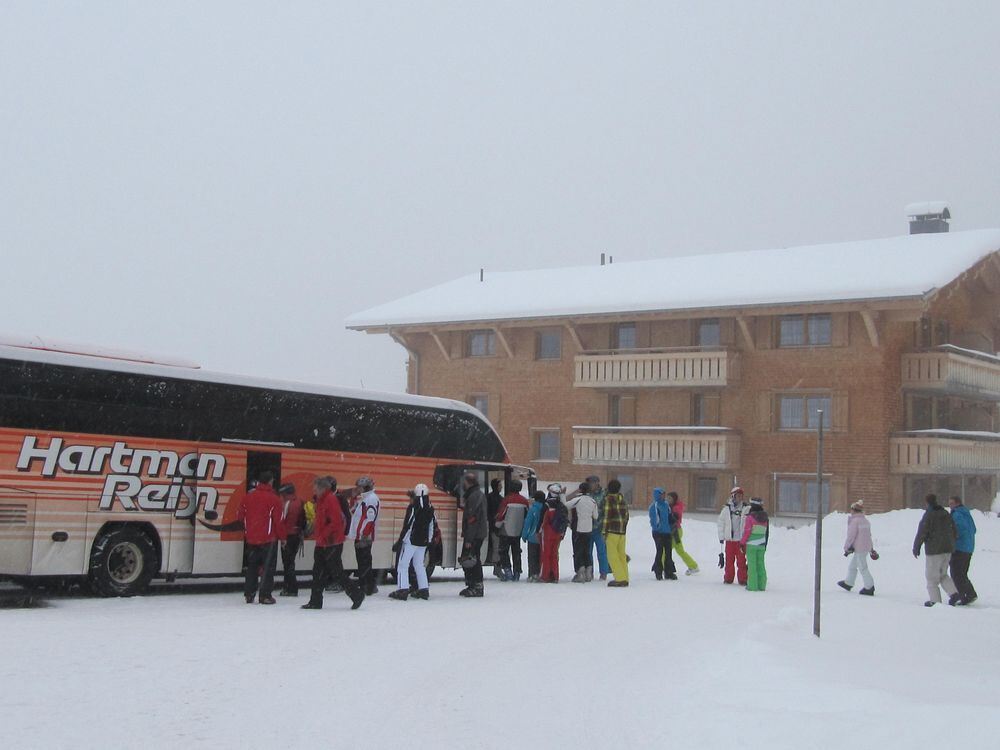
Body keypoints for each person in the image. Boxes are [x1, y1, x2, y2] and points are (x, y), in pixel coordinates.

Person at [303, 476, 364, 610]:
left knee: (334, 572)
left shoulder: (330, 500)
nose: (313, 490)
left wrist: (323, 535)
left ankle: (356, 594)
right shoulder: (323, 500)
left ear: (323, 488)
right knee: (320, 572)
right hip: (325, 542)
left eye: (315, 488)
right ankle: (316, 601)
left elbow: (335, 522)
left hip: (330, 542)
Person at [237, 470, 286, 605]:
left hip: (251, 538)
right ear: (270, 482)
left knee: (252, 566)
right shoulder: (274, 499)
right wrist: (283, 538)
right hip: (269, 539)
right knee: (268, 568)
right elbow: (278, 521)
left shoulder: (248, 497)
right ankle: (265, 595)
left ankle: (249, 594)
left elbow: (240, 516)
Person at [389, 484, 436, 601]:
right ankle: (424, 590)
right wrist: (428, 540)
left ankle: (402, 589)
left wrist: (400, 541)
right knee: (419, 565)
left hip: (411, 541)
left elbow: (408, 526)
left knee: (402, 565)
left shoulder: (413, 507)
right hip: (423, 541)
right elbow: (432, 525)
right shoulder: (430, 507)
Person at [912, 493, 959, 607]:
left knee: (931, 577)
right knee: (942, 574)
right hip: (947, 549)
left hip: (934, 550)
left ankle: (935, 601)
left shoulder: (929, 515)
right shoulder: (945, 513)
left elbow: (922, 532)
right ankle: (953, 593)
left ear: (927, 503)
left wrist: (916, 547)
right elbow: (954, 530)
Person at [349, 476, 380, 596]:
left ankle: (366, 586)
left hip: (364, 537)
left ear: (364, 487)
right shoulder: (365, 499)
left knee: (363, 562)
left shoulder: (370, 499)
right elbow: (354, 511)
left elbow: (369, 519)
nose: (358, 489)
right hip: (361, 535)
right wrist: (353, 498)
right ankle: (369, 585)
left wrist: (363, 536)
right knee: (364, 561)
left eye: (359, 487)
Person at [837, 500, 875, 596]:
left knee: (863, 567)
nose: (851, 511)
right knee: (853, 566)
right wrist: (871, 548)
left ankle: (869, 587)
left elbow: (851, 536)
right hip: (865, 548)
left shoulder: (855, 522)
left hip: (859, 548)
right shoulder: (866, 521)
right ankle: (848, 582)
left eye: (852, 509)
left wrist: (846, 548)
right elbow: (868, 536)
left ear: (854, 510)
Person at [459, 472, 488, 597]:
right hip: (478, 533)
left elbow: (472, 519)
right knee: (471, 558)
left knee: (472, 559)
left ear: (468, 482)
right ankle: (472, 585)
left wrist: (469, 539)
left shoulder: (474, 496)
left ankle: (476, 586)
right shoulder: (477, 494)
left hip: (474, 535)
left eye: (464, 483)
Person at [495, 479, 530, 581]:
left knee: (504, 551)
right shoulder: (524, 501)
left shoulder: (507, 500)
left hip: (506, 530)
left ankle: (507, 571)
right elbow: (526, 516)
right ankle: (517, 572)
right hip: (518, 530)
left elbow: (501, 515)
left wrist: (497, 524)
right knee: (516, 552)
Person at [564, 483, 599, 582]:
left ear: (580, 490)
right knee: (587, 551)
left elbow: (566, 505)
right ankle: (589, 572)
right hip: (589, 529)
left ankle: (580, 573)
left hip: (579, 529)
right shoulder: (593, 501)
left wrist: (562, 496)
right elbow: (596, 516)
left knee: (578, 551)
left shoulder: (578, 500)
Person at [948, 495, 978, 606]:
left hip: (959, 548)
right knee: (962, 573)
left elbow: (958, 530)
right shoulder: (966, 514)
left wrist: (952, 539)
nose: (950, 506)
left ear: (957, 503)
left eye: (951, 503)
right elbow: (973, 529)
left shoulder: (957, 515)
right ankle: (970, 593)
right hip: (969, 547)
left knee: (956, 573)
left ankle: (964, 595)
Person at [278, 483, 306, 597]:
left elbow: (283, 521)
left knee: (287, 563)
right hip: (297, 535)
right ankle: (289, 587)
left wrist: (282, 537)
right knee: (290, 562)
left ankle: (291, 587)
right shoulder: (300, 501)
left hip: (288, 535)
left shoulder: (287, 504)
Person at [717, 486, 750, 585]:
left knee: (741, 561)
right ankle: (728, 578)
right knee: (729, 560)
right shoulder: (726, 509)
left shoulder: (746, 509)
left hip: (741, 540)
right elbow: (721, 523)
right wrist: (721, 536)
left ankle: (743, 579)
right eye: (737, 496)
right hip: (730, 540)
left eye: (741, 496)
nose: (739, 498)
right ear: (733, 496)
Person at [603, 479, 630, 587]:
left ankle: (619, 578)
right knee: (621, 555)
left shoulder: (608, 499)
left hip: (612, 531)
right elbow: (627, 516)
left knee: (612, 556)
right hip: (622, 532)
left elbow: (607, 516)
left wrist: (604, 531)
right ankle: (625, 577)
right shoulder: (622, 499)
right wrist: (623, 527)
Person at [584, 476, 611, 581]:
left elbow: (606, 510)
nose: (590, 485)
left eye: (591, 483)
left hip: (600, 527)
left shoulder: (604, 494)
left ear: (597, 483)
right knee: (588, 551)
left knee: (602, 551)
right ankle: (589, 572)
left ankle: (603, 572)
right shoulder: (586, 494)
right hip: (587, 527)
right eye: (589, 483)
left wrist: (605, 527)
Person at [740, 497, 769, 592]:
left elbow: (747, 532)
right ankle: (762, 585)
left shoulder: (750, 518)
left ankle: (752, 586)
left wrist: (742, 543)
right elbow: (766, 532)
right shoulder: (765, 518)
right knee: (761, 564)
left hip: (751, 545)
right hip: (761, 544)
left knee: (752, 566)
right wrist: (765, 544)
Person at [540, 483, 567, 583]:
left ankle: (545, 576)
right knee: (554, 555)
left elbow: (542, 520)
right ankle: (555, 576)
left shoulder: (546, 505)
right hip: (558, 533)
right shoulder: (561, 505)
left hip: (547, 533)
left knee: (546, 555)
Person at [648, 488, 677, 581]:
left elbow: (669, 516)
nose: (663, 496)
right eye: (661, 494)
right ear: (657, 495)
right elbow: (653, 520)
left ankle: (669, 572)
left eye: (664, 494)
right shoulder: (654, 506)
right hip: (658, 533)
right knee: (659, 552)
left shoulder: (666, 505)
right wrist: (657, 529)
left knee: (669, 552)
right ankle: (658, 571)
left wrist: (673, 521)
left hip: (667, 532)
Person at [668, 492, 699, 575]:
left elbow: (675, 518)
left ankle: (664, 567)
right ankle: (693, 566)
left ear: (674, 499)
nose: (668, 500)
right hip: (676, 531)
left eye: (670, 498)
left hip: (675, 532)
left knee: (666, 550)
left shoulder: (675, 508)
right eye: (668, 498)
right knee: (680, 551)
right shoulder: (671, 507)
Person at [521, 490, 546, 581]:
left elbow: (528, 523)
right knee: (540, 556)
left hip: (532, 537)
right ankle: (540, 573)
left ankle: (532, 574)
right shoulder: (545, 508)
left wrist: (524, 535)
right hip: (543, 537)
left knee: (532, 557)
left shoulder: (533, 509)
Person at [487, 478, 504, 578]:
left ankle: (497, 567)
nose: (501, 487)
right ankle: (497, 568)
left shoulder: (488, 497)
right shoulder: (500, 499)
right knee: (497, 547)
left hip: (491, 525)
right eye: (500, 485)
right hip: (496, 526)